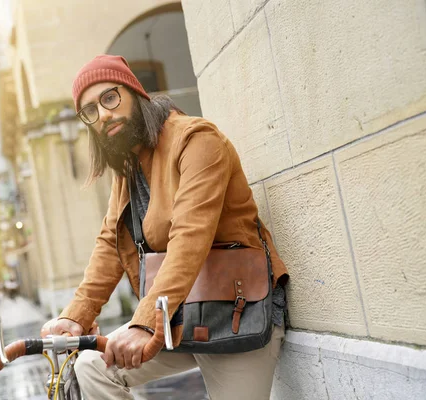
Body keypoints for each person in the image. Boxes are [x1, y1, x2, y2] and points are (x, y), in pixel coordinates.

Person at [40, 54, 289, 400]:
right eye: (90, 111)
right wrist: (75, 317)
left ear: (135, 92)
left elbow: (190, 237)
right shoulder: (127, 168)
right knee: (92, 368)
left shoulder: (196, 140)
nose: (104, 115)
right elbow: (109, 246)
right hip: (179, 313)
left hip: (237, 310)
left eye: (110, 98)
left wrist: (144, 323)